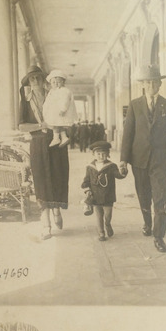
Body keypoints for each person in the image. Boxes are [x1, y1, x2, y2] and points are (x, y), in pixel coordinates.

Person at [120, 64, 166, 253]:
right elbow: (128, 133)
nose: (152, 85)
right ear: (143, 85)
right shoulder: (134, 104)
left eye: (155, 81)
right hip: (139, 159)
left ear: (160, 84)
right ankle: (147, 223)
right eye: (148, 82)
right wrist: (123, 159)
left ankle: (159, 236)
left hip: (161, 160)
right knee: (144, 196)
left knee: (161, 197)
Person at [19, 65, 69, 240]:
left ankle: (56, 211)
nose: (35, 82)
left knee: (57, 177)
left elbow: (66, 113)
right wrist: (41, 125)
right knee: (41, 181)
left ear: (43, 80)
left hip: (56, 143)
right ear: (29, 82)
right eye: (32, 79)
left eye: (38, 78)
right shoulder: (26, 100)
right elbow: (21, 126)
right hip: (38, 143)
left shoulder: (54, 94)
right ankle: (46, 224)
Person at [81, 141, 127, 241]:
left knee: (108, 215)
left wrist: (123, 171)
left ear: (107, 154)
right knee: (98, 216)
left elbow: (118, 175)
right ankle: (101, 233)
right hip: (95, 196)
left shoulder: (111, 166)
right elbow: (86, 180)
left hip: (108, 196)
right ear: (93, 154)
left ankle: (107, 224)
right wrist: (87, 190)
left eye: (103, 153)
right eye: (98, 154)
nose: (101, 156)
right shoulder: (90, 167)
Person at [42, 69, 77, 148]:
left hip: (60, 112)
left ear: (63, 82)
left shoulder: (64, 91)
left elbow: (66, 100)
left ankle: (56, 138)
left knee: (56, 125)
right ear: (50, 83)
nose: (56, 84)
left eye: (58, 82)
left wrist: (63, 109)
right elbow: (48, 100)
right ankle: (64, 137)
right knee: (58, 125)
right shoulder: (52, 91)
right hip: (54, 112)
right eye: (53, 82)